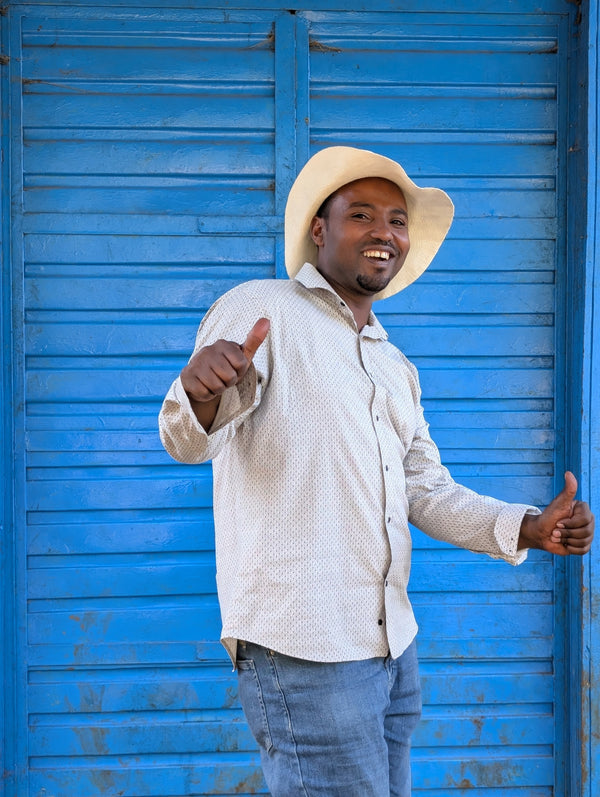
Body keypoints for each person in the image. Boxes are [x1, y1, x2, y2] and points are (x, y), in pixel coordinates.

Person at [158, 146, 594, 796]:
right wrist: (198, 393)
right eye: (360, 214)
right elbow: (192, 438)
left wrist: (527, 526)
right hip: (305, 650)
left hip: (392, 645)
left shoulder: (394, 364)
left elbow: (427, 489)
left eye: (395, 220)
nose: (382, 233)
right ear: (319, 230)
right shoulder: (262, 310)